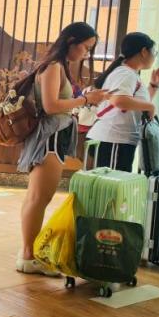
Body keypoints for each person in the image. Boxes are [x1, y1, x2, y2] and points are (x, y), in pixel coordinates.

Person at [17, 22, 109, 275]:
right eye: (86, 47)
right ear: (71, 41)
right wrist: (86, 99)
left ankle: (28, 252)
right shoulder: (54, 67)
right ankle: (28, 256)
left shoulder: (57, 66)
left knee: (36, 197)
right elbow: (50, 106)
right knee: (39, 198)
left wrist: (83, 99)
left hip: (52, 138)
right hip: (49, 139)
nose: (86, 53)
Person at [87, 32, 159, 171]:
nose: (155, 57)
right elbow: (120, 100)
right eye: (154, 52)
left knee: (116, 181)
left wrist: (154, 85)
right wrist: (150, 106)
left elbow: (134, 104)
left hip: (116, 140)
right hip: (113, 140)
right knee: (112, 182)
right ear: (144, 51)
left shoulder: (128, 73)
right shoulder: (126, 73)